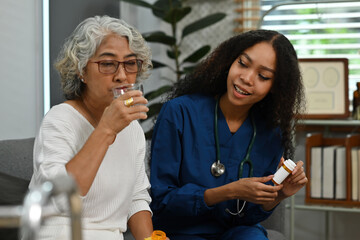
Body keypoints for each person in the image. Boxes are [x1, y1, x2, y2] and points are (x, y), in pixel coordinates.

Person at [149, 29, 308, 240]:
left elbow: (248, 216)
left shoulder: (271, 134)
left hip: (237, 233)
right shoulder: (179, 113)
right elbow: (162, 201)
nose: (246, 78)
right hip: (181, 231)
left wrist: (277, 196)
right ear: (229, 62)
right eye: (242, 63)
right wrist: (229, 191)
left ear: (274, 87)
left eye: (263, 76)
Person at [29, 15, 153, 240]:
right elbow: (62, 199)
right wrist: (106, 129)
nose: (122, 76)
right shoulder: (59, 120)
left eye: (130, 63)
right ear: (81, 71)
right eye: (107, 64)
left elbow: (137, 197)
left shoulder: (132, 128)